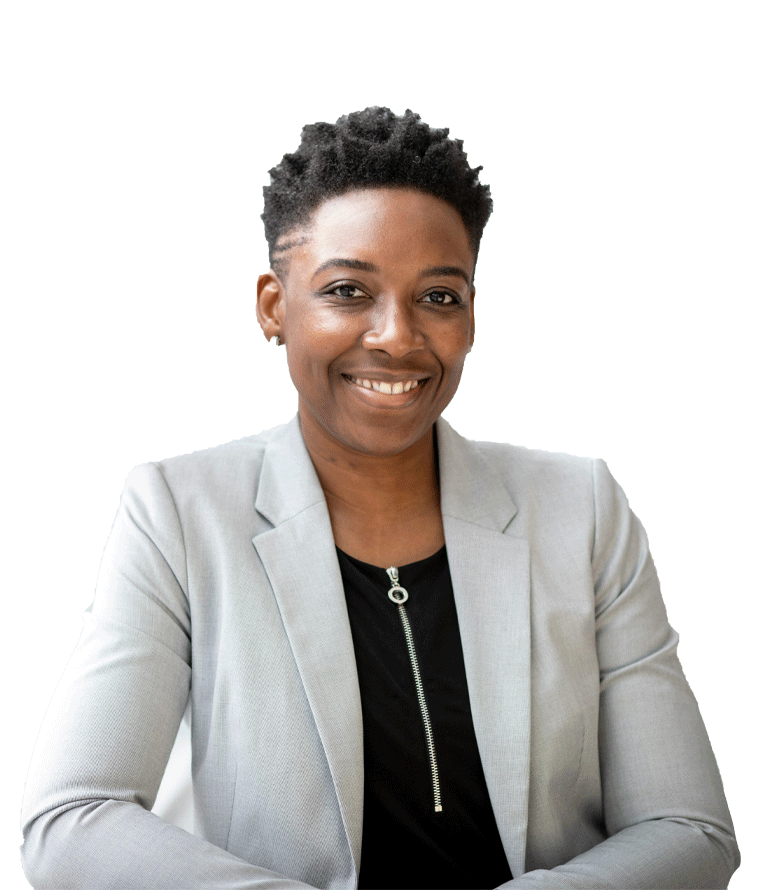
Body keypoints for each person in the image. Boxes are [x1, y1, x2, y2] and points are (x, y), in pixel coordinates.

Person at [21, 107, 739, 889]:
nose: (397, 335)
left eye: (439, 297)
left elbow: (687, 828)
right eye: (347, 290)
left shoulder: (582, 512)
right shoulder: (179, 514)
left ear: (472, 315)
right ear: (274, 306)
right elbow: (73, 821)